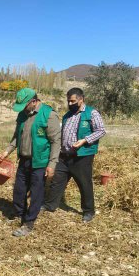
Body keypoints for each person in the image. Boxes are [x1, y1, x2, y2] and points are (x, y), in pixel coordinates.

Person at [0, 88, 61, 236]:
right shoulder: (22, 115)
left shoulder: (48, 115)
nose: (23, 110)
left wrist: (52, 164)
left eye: (25, 106)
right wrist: (6, 152)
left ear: (33, 101)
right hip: (24, 160)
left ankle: (29, 222)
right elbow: (16, 138)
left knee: (36, 192)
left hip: (40, 162)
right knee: (19, 190)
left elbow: (55, 142)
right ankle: (20, 213)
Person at [43, 87, 106, 223]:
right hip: (65, 155)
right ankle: (50, 205)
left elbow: (101, 130)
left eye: (72, 101)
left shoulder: (91, 113)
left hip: (82, 156)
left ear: (81, 99)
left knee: (84, 184)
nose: (70, 104)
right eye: (68, 101)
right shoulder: (67, 115)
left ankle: (88, 211)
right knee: (57, 181)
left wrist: (85, 140)